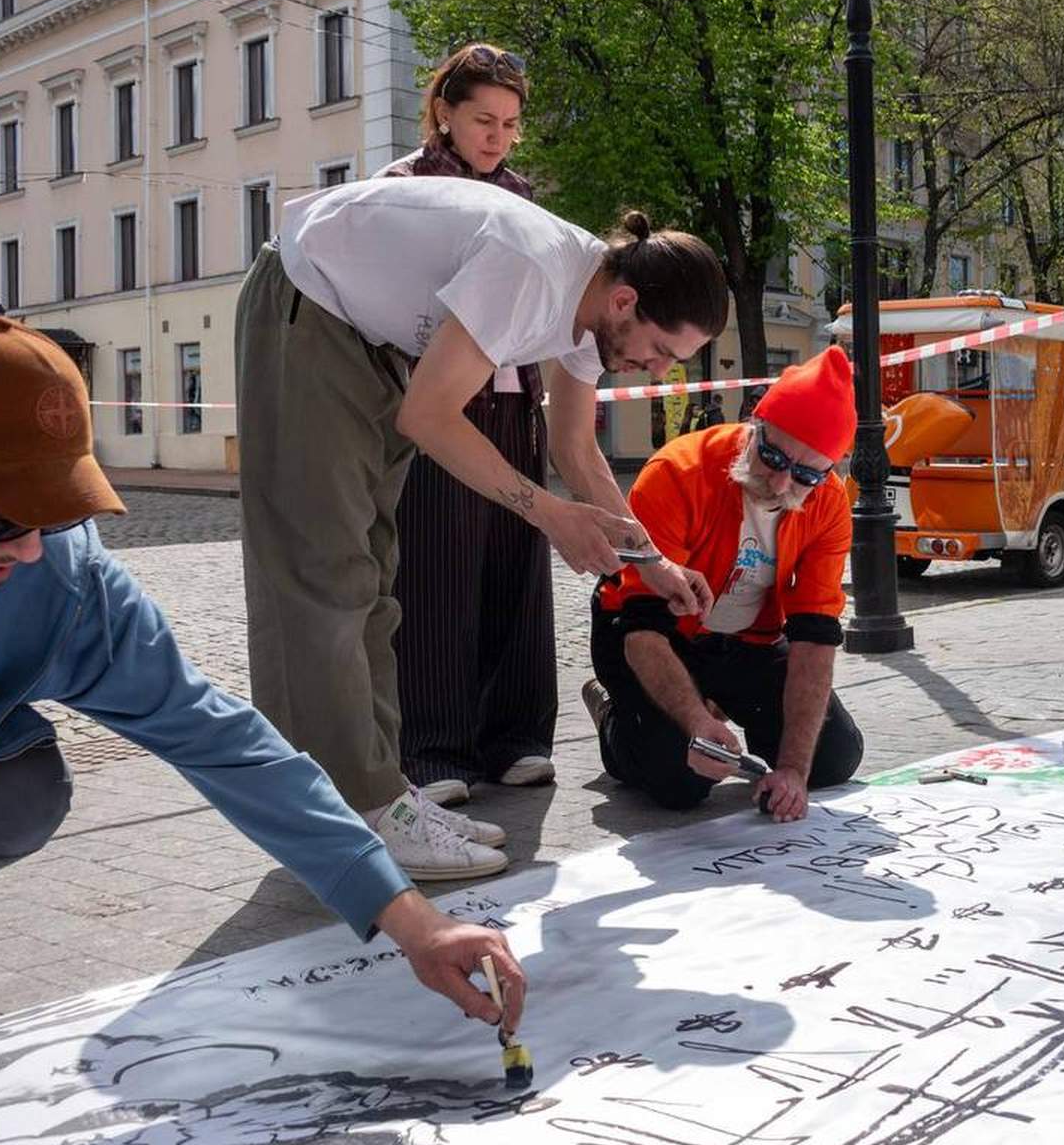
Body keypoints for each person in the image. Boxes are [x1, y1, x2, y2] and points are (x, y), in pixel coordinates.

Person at [0, 319, 525, 1044]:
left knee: (16, 789)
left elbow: (223, 740)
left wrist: (414, 921)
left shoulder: (60, 579)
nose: (28, 549)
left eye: (50, 513)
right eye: (1, 516)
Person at [236, 177, 725, 880]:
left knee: (370, 579)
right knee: (323, 577)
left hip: (364, 338)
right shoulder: (531, 270)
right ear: (626, 301)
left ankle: (379, 793)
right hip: (309, 305)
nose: (653, 368)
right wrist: (549, 513)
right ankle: (350, 811)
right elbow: (429, 418)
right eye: (657, 350)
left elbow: (576, 451)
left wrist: (652, 562)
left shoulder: (594, 307)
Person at [381, 45, 560, 805]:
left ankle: (517, 735)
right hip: (440, 400)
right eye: (484, 119)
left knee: (517, 565)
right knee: (435, 575)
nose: (498, 136)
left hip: (517, 397)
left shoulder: (522, 194)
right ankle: (431, 748)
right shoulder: (400, 187)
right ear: (444, 113)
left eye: (511, 124)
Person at [583, 347, 865, 820]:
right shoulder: (678, 473)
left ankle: (719, 705)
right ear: (755, 425)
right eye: (771, 455)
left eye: (804, 475)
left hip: (746, 641)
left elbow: (814, 637)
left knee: (833, 757)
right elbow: (643, 631)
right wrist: (694, 720)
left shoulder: (829, 505)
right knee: (679, 780)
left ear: (828, 474)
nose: (779, 484)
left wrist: (793, 769)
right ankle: (614, 713)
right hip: (651, 635)